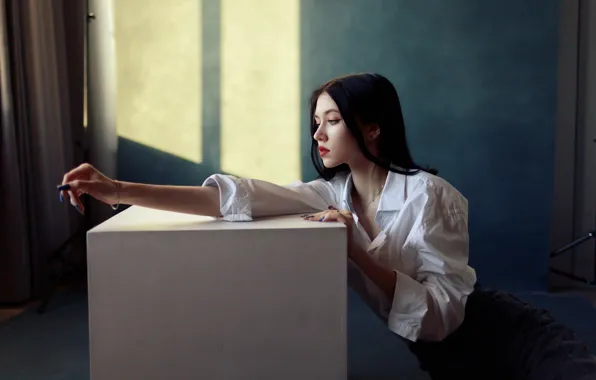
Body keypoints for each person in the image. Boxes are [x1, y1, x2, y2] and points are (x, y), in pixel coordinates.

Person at [58, 72, 477, 343]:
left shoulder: (430, 196)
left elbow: (443, 316)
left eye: (332, 120)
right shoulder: (330, 195)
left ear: (372, 128)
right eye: (316, 122)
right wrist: (115, 190)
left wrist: (357, 252)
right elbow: (230, 199)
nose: (318, 133)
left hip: (488, 338)